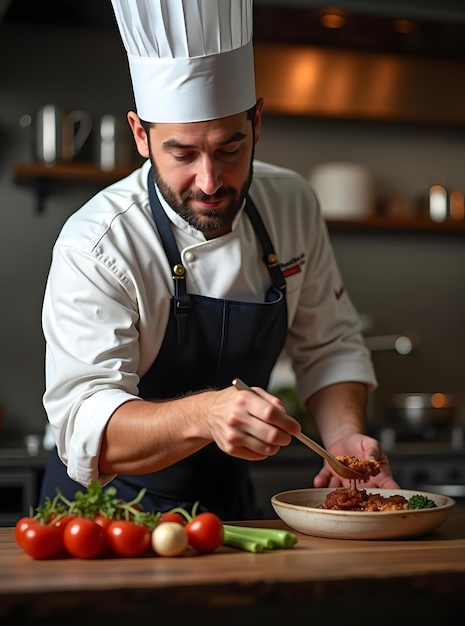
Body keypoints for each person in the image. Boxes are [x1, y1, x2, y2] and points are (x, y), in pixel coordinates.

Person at [39, 0, 399, 520]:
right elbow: (85, 427)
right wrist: (206, 415)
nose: (210, 182)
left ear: (256, 121)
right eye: (183, 154)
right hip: (104, 517)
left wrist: (344, 436)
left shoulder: (291, 203)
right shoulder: (97, 244)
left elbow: (329, 346)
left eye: (230, 148)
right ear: (141, 135)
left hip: (226, 512)